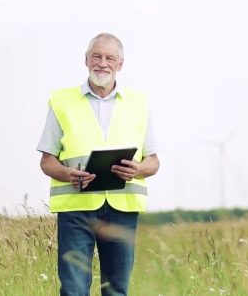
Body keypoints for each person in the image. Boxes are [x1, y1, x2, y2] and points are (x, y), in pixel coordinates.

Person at [36, 32, 160, 296]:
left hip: (122, 211)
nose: (102, 63)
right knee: (74, 289)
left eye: (109, 58)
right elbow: (47, 161)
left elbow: (153, 161)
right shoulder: (61, 102)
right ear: (86, 60)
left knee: (116, 290)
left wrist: (137, 170)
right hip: (76, 211)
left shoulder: (139, 103)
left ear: (120, 64)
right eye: (97, 56)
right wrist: (66, 173)